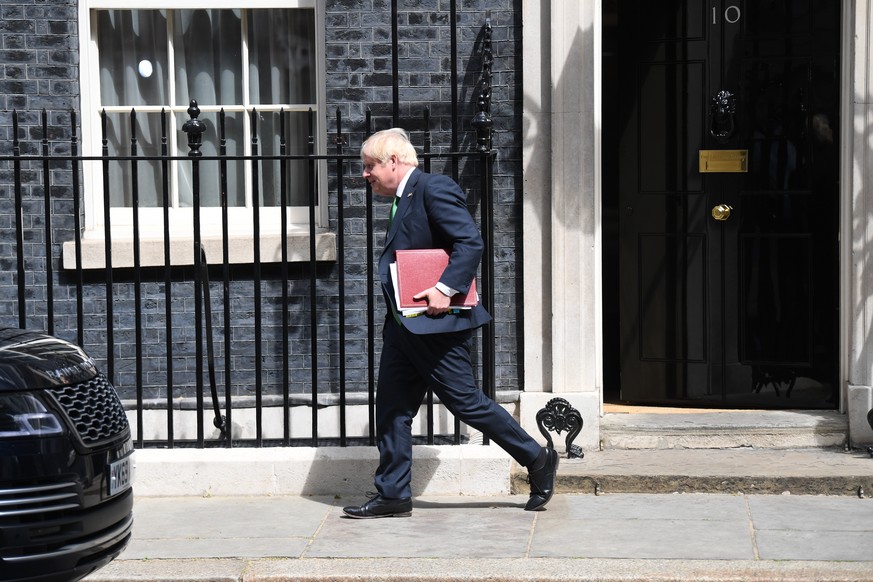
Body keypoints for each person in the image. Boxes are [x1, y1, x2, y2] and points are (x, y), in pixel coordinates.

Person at [342, 128, 558, 519]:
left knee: (466, 403)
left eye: (370, 165)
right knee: (391, 408)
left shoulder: (432, 188)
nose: (365, 174)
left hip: (436, 325)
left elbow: (470, 241)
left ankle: (537, 458)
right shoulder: (402, 198)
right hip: (403, 326)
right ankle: (392, 493)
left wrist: (445, 288)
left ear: (393, 161)